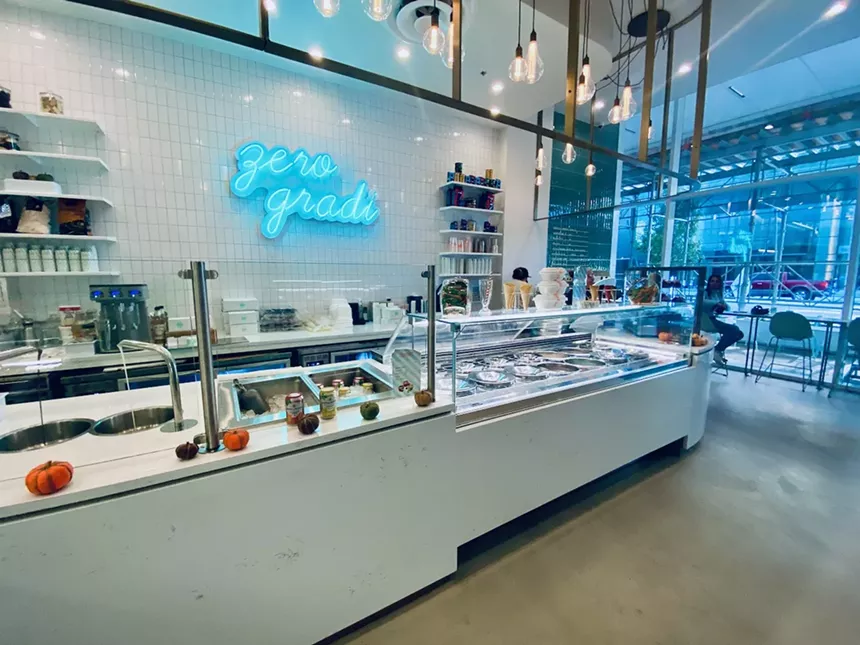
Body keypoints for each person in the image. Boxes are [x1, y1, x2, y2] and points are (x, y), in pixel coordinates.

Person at [701, 273, 744, 366]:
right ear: (709, 283)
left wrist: (723, 305)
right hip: (705, 321)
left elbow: (726, 306)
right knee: (734, 329)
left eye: (717, 281)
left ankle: (718, 350)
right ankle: (717, 350)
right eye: (712, 281)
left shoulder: (718, 294)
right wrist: (716, 304)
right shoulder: (704, 293)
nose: (714, 283)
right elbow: (702, 302)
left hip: (712, 319)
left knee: (739, 334)